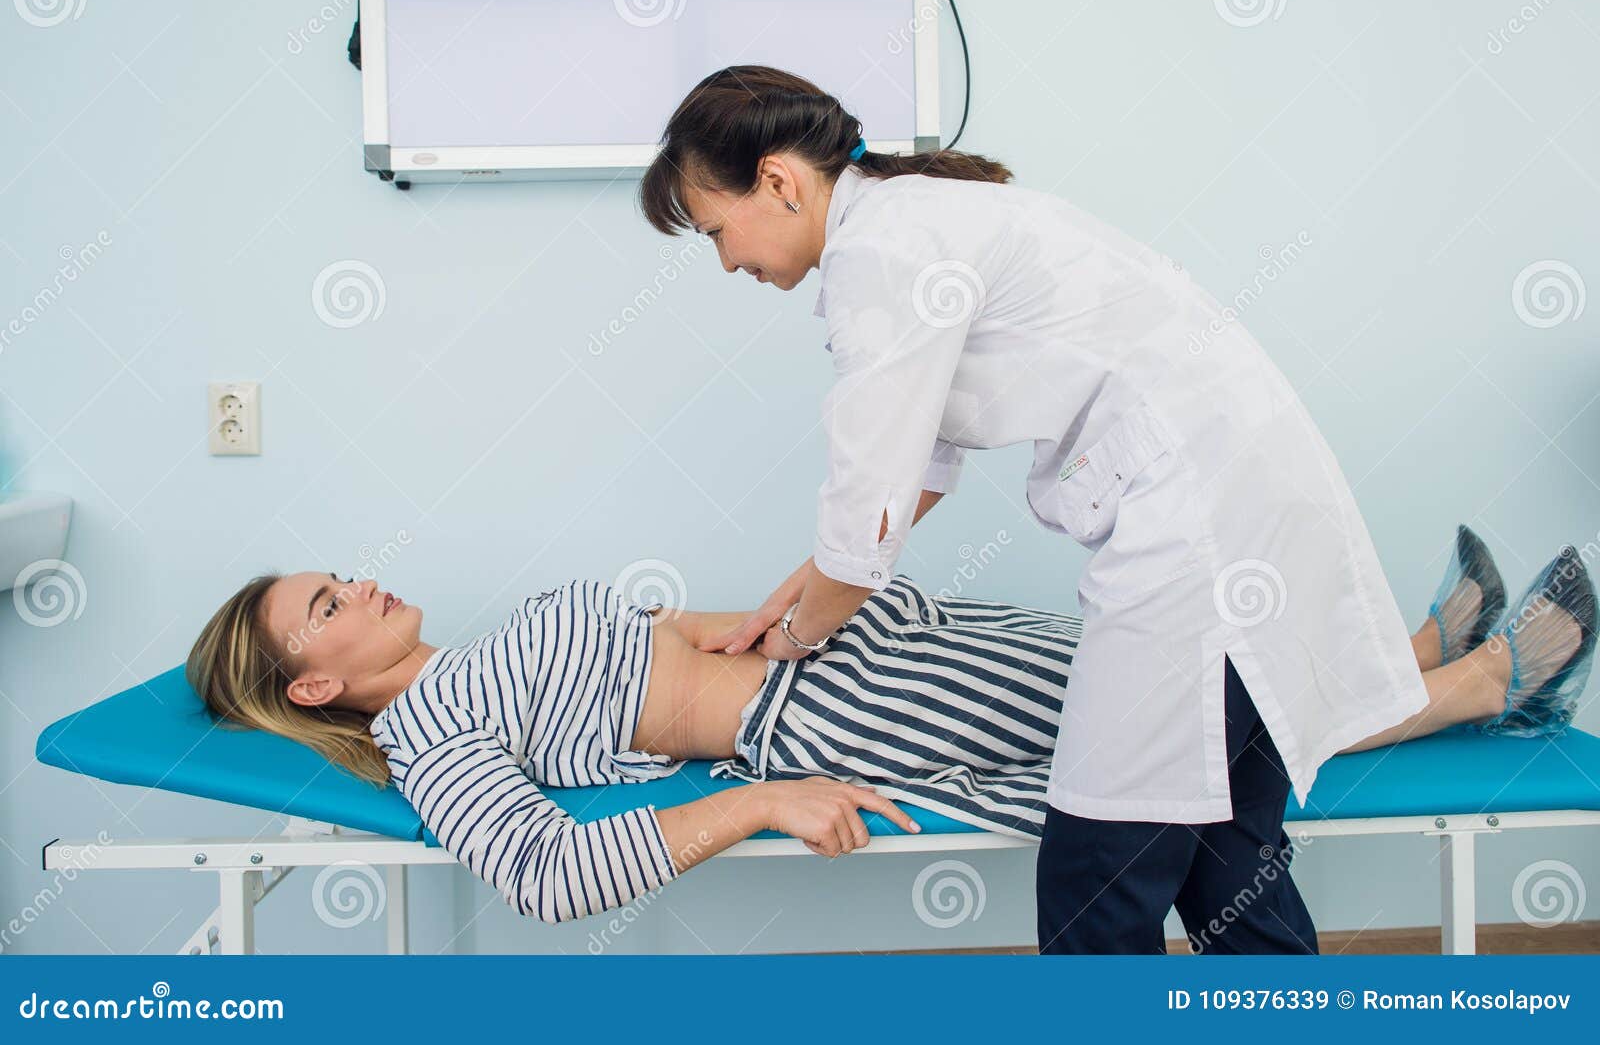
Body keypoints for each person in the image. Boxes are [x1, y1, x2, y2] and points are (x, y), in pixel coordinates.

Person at [635, 63, 1593, 952]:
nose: (725, 264)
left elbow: (864, 528)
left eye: (717, 230)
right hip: (1230, 501)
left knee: (1099, 877)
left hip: (1194, 529)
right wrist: (784, 601)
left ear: (778, 180)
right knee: (1227, 867)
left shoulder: (881, 255)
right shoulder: (914, 222)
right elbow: (914, 475)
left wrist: (792, 637)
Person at [183, 525, 1594, 934]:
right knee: (1164, 714)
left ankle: (1407, 652)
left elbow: (674, 640)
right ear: (315, 684)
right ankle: (1478, 683)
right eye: (328, 599)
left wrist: (790, 604)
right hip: (838, 708)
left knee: (1147, 663)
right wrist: (758, 800)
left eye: (338, 570)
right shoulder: (433, 731)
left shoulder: (480, 650)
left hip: (850, 650)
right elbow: (550, 872)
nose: (357, 577)